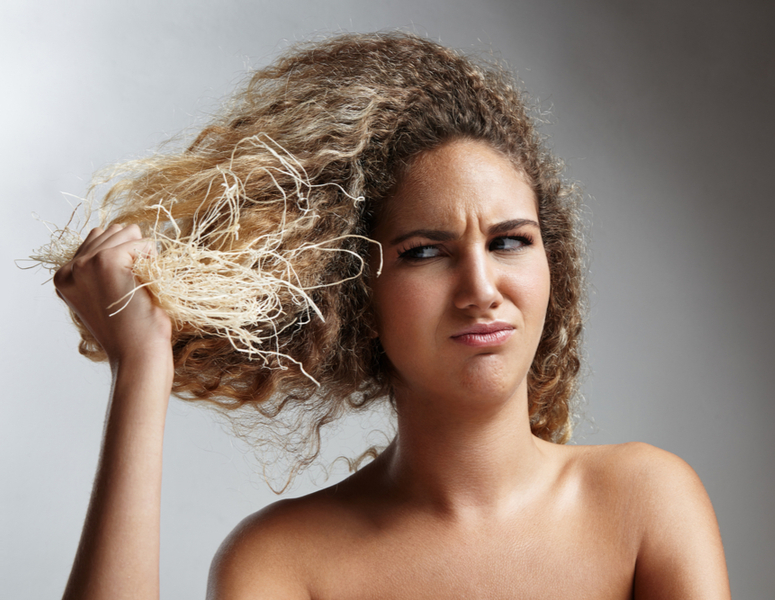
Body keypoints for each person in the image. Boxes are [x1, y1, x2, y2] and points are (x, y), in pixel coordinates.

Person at [52, 32, 730, 599]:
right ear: (354, 296)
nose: (480, 287)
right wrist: (141, 370)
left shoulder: (645, 505)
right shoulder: (282, 563)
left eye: (508, 241)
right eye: (425, 252)